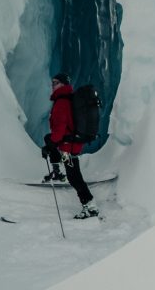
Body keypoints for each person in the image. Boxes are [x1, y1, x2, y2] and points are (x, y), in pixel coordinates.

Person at [42, 72, 99, 219]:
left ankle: (90, 205)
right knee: (49, 140)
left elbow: (60, 128)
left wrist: (51, 145)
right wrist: (52, 143)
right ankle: (57, 172)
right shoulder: (66, 99)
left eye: (56, 82)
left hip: (68, 146)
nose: (53, 85)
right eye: (52, 82)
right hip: (70, 143)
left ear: (63, 84)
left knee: (74, 176)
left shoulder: (62, 102)